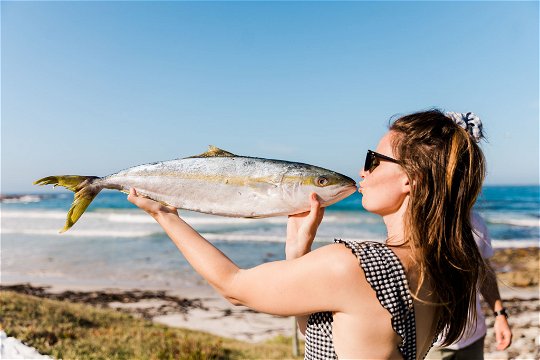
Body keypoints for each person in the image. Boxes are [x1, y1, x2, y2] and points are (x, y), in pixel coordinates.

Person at [128, 109, 488, 360]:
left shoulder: (356, 266)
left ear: (412, 179)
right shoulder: (440, 266)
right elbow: (331, 341)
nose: (362, 172)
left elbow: (234, 286)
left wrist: (165, 214)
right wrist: (297, 253)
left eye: (372, 160)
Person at [426, 211, 512, 360]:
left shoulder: (476, 220)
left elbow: (485, 272)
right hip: (432, 343)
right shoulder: (421, 219)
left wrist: (500, 315)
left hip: (474, 337)